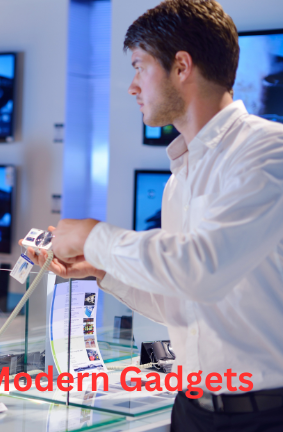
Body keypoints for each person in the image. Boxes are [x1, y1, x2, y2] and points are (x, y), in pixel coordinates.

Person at [26, 1, 283, 431]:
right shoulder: (178, 178)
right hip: (191, 409)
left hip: (264, 415)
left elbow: (203, 267)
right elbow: (182, 299)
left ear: (181, 66)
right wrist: (102, 271)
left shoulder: (268, 151)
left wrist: (93, 236)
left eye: (139, 66)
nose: (132, 86)